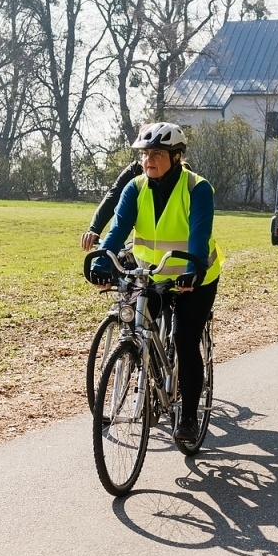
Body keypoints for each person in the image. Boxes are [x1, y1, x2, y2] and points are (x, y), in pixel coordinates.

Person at [87, 122, 221, 446]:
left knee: (186, 341)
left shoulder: (197, 189)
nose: (148, 160)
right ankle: (148, 378)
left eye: (156, 154)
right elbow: (117, 231)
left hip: (196, 279)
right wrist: (102, 262)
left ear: (176, 157)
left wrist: (193, 269)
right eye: (145, 154)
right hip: (153, 275)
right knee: (139, 325)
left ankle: (188, 416)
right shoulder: (135, 188)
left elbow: (199, 237)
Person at [81, 155, 141, 252]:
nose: (149, 159)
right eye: (144, 153)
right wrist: (94, 229)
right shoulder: (136, 170)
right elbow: (113, 196)